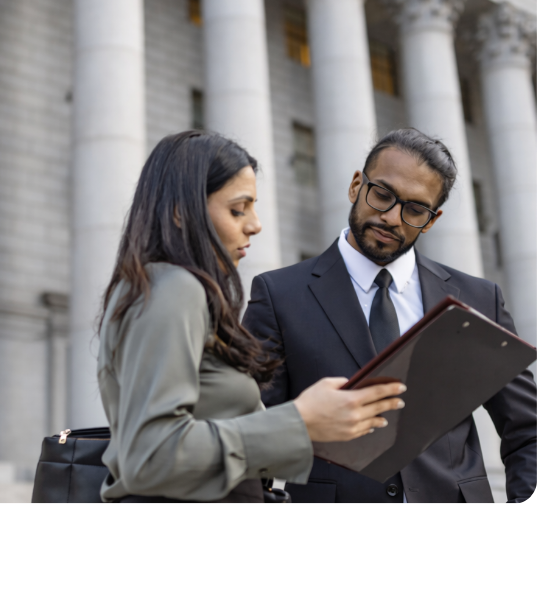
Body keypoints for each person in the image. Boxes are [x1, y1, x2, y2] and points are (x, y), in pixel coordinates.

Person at [97, 131, 405, 504]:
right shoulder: (174, 288)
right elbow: (149, 455)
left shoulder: (159, 287)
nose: (255, 224)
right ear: (181, 212)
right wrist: (301, 419)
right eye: (237, 209)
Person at [243, 129, 537, 504]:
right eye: (382, 194)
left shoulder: (480, 298)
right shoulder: (277, 295)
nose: (391, 217)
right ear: (355, 186)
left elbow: (528, 429)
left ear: (431, 220)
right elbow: (248, 428)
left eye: (414, 209)